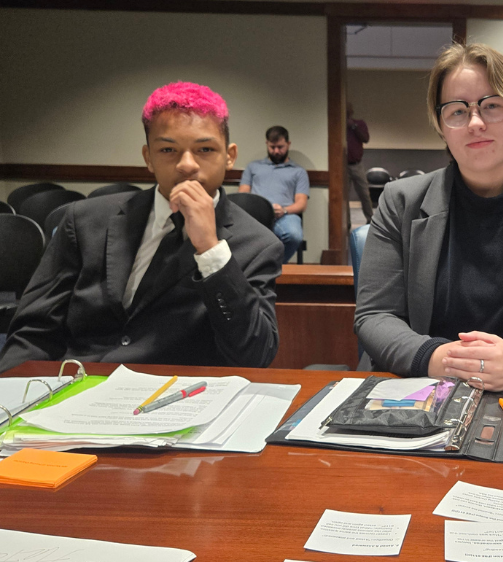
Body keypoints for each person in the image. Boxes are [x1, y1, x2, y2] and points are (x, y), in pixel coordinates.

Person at [354, 42, 503, 391]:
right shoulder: (399, 201)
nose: (475, 122)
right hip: (424, 386)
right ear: (441, 124)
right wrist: (438, 358)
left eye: (492, 106)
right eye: (456, 111)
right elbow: (376, 316)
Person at [0, 82, 283, 372]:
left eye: (205, 149)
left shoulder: (258, 244)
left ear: (229, 156)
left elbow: (253, 356)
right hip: (78, 385)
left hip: (176, 397)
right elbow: (33, 332)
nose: (187, 164)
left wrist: (210, 250)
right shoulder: (84, 220)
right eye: (168, 149)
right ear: (149, 157)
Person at [239, 126, 309, 263]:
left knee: (294, 236)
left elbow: (301, 204)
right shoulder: (253, 167)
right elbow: (242, 195)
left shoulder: (298, 171)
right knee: (238, 235)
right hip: (256, 215)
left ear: (288, 144)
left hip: (285, 215)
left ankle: (271, 268)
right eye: (272, 147)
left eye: (280, 147)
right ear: (267, 144)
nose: (276, 151)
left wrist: (284, 210)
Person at [347, 104, 374, 222]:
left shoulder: (359, 124)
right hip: (342, 167)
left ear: (352, 111)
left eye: (349, 109)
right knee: (343, 197)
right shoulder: (338, 125)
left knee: (364, 194)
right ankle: (345, 222)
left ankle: (371, 220)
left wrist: (353, 126)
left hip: (357, 165)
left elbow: (366, 139)